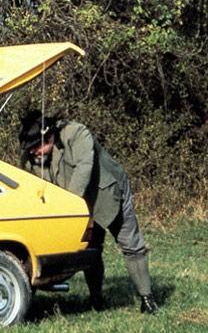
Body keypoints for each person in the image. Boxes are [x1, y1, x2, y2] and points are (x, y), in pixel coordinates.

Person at [19, 110, 158, 314]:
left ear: (49, 137)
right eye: (30, 149)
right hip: (79, 205)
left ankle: (147, 298)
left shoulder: (76, 133)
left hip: (108, 194)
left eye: (36, 147)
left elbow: (84, 167)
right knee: (91, 249)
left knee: (131, 246)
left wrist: (70, 207)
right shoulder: (31, 157)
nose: (33, 153)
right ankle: (96, 298)